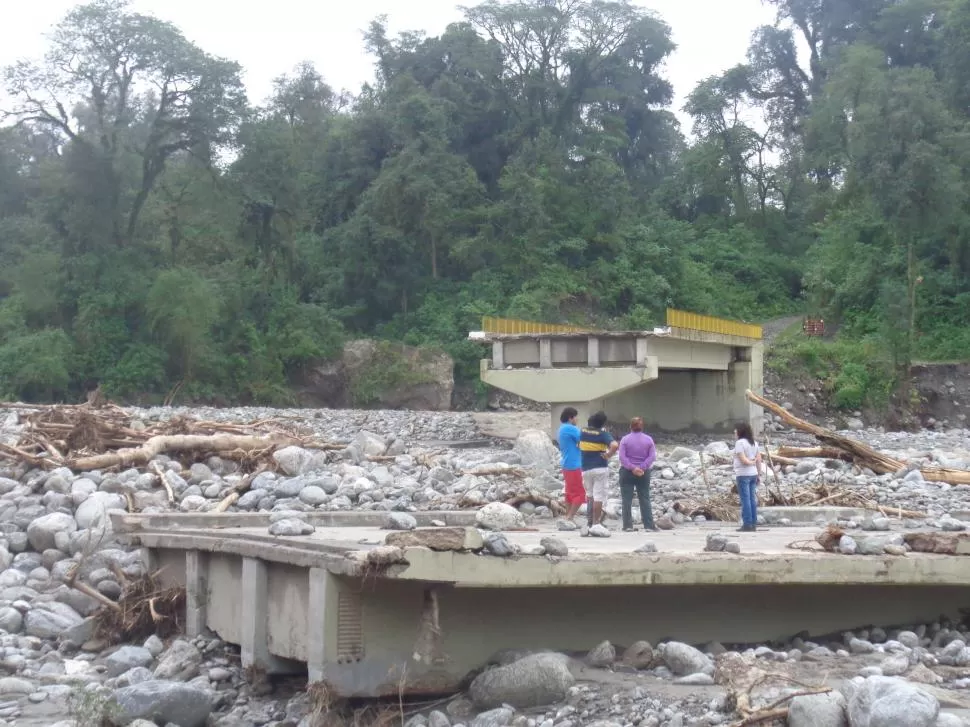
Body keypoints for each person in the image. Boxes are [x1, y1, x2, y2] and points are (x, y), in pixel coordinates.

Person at [618, 417, 657, 531]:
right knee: (644, 497)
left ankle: (628, 525)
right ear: (642, 427)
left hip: (627, 472)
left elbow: (622, 457)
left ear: (630, 426)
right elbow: (652, 456)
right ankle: (649, 525)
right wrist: (641, 467)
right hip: (643, 473)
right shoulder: (649, 440)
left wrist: (632, 467)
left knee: (626, 499)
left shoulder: (625, 440)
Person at [580, 411, 618, 527]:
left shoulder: (582, 431)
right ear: (602, 424)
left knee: (590, 495)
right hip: (600, 468)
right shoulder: (602, 434)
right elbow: (615, 445)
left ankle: (589, 521)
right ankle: (596, 522)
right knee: (599, 496)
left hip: (586, 468)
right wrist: (608, 455)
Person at [734, 421, 763, 532]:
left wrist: (751, 462)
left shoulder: (740, 443)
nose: (734, 432)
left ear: (740, 431)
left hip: (743, 474)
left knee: (745, 500)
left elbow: (743, 460)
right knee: (752, 499)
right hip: (753, 474)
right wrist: (758, 473)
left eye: (736, 430)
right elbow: (759, 459)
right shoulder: (754, 443)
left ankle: (747, 524)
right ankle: (753, 523)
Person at [557, 407, 585, 521]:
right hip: (574, 464)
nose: (577, 419)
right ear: (570, 418)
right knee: (580, 493)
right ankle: (570, 516)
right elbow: (584, 439)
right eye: (576, 417)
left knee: (569, 492)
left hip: (566, 463)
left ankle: (567, 516)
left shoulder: (561, 428)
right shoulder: (571, 428)